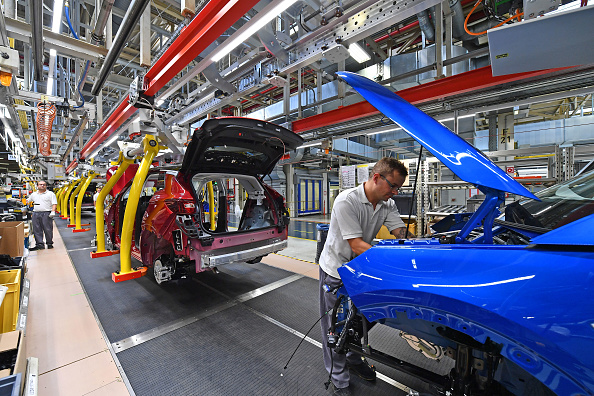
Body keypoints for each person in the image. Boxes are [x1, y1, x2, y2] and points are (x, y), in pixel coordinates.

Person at [319, 158, 410, 395]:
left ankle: (353, 358)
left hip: (360, 270)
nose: (395, 192)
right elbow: (357, 244)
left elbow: (399, 232)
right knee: (335, 327)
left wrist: (415, 244)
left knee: (359, 320)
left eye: (398, 188)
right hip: (336, 271)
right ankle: (338, 378)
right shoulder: (346, 200)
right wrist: (391, 262)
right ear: (377, 178)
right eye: (393, 186)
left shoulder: (386, 204)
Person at [27, 180, 58, 250]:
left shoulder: (50, 194)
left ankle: (49, 243)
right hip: (36, 213)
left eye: (44, 184)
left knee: (48, 229)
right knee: (36, 229)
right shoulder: (33, 194)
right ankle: (39, 245)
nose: (42, 186)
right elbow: (28, 201)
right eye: (40, 184)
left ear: (46, 186)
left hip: (46, 213)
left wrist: (53, 211)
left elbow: (54, 203)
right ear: (37, 186)